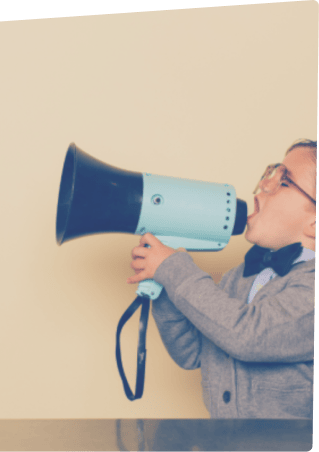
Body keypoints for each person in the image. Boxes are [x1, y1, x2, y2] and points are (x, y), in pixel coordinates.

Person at [127, 139, 316, 419]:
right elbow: (192, 353)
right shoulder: (238, 277)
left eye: (284, 182)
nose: (265, 184)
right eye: (270, 173)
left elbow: (248, 336)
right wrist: (164, 281)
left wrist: (176, 270)